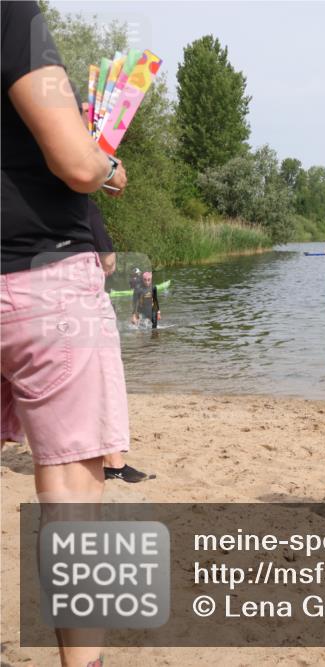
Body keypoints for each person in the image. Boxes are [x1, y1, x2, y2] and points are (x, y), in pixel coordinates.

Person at [2, 2, 130, 664]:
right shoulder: (13, 17)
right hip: (42, 283)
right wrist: (108, 165)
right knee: (72, 493)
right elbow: (76, 164)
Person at [85, 202, 149, 483]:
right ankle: (111, 460)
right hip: (75, 283)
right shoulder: (68, 185)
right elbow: (86, 204)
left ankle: (103, 457)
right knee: (103, 372)